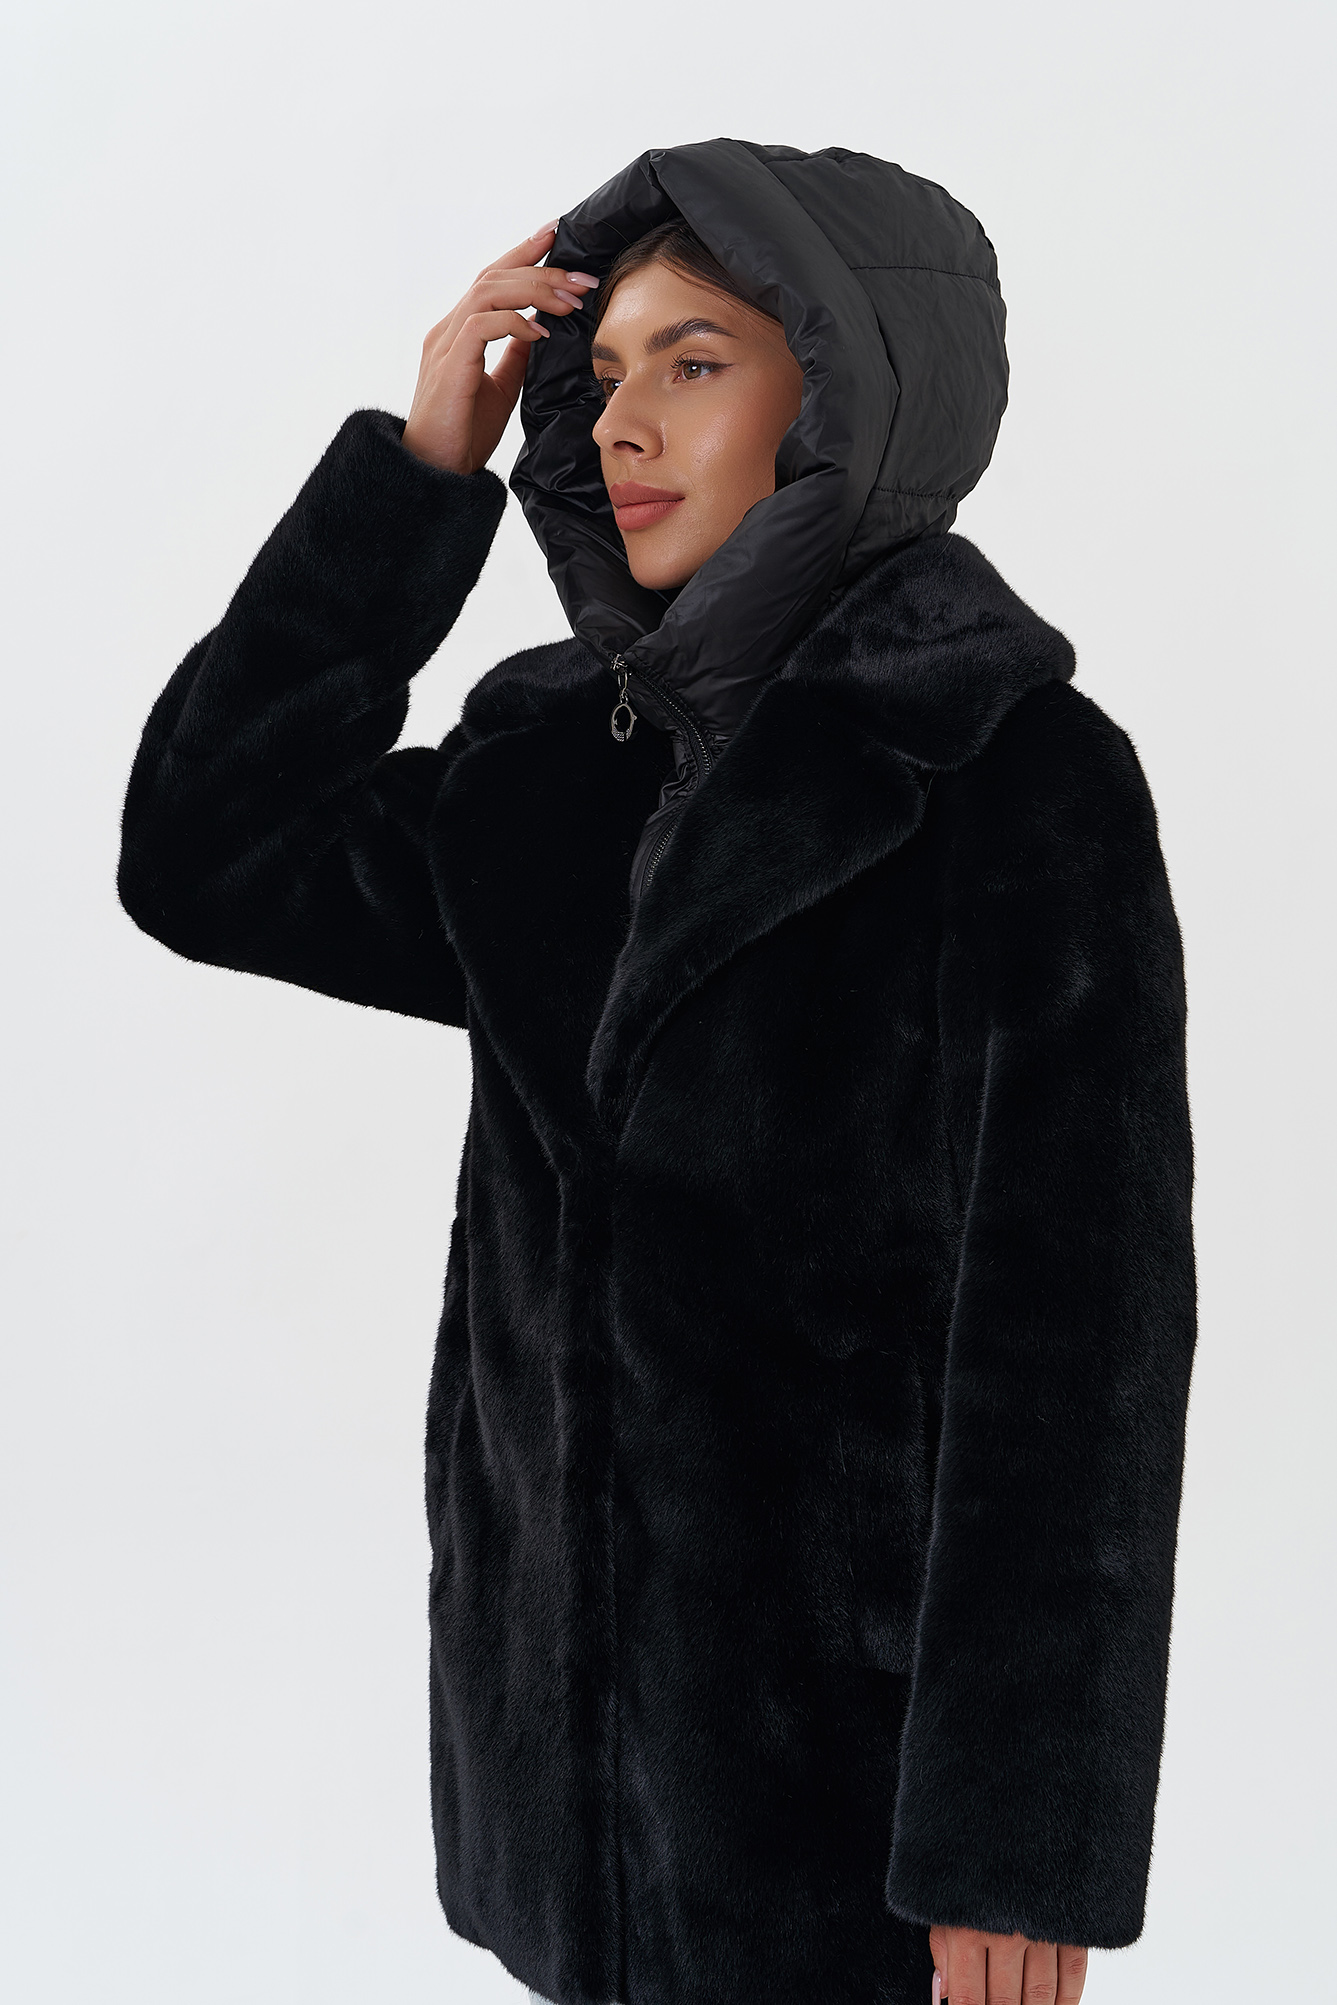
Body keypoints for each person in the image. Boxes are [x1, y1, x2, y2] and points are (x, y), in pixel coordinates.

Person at [117, 141, 1197, 2005]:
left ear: (845, 392)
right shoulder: (546, 769)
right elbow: (206, 854)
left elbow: (1078, 1361)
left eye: (693, 361)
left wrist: (1018, 1845)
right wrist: (419, 475)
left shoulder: (1009, 775)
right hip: (559, 1786)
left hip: (847, 1812)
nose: (619, 419)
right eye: (601, 371)